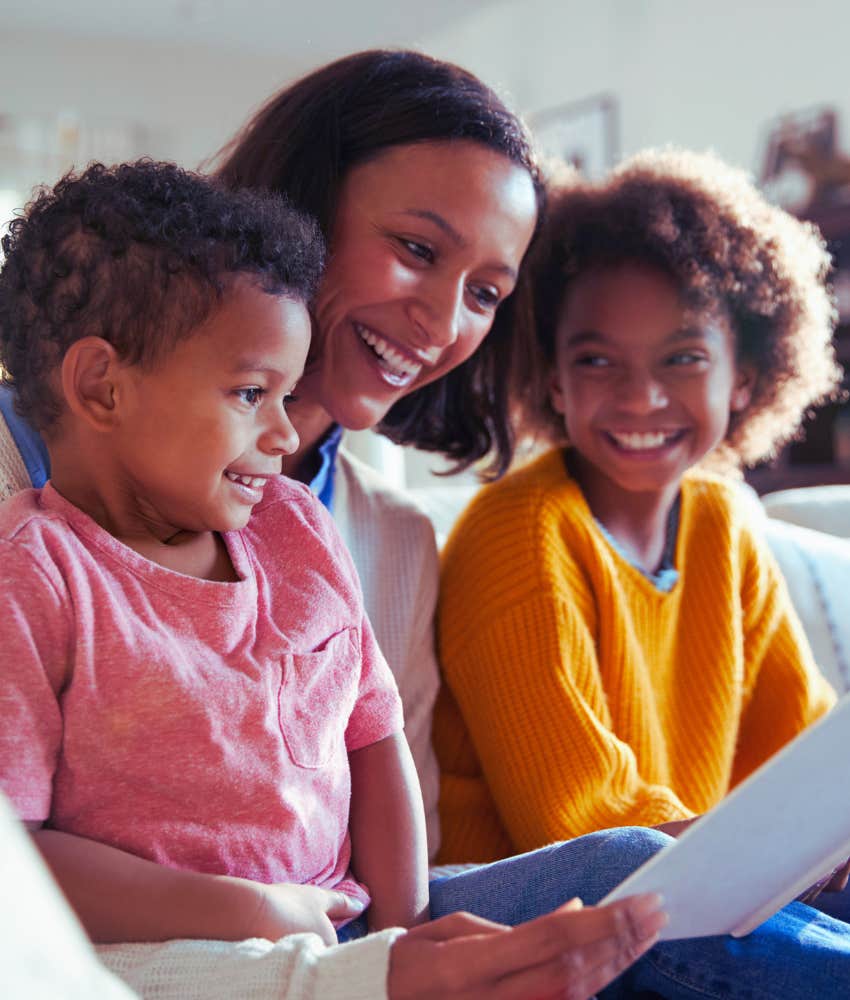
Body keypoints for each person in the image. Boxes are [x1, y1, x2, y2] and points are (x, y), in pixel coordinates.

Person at [4, 57, 850, 1000]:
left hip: (361, 914)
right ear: (305, 216)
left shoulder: (373, 538)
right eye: (415, 248)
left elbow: (386, 790)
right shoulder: (35, 550)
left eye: (487, 293)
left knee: (635, 872)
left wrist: (402, 939)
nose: (443, 321)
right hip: (185, 948)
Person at [434, 148, 843, 865]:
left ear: (744, 379)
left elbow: (804, 760)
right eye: (597, 361)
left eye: (682, 358)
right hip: (543, 914)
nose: (640, 398)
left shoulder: (723, 520)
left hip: (695, 885)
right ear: (553, 379)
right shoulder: (521, 535)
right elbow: (583, 828)